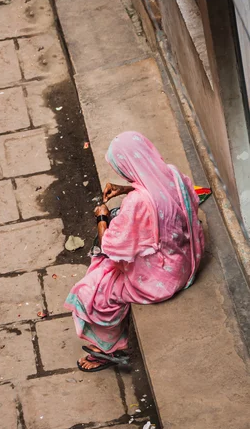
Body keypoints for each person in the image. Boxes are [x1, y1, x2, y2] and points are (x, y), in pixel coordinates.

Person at [65, 131, 205, 372]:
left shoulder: (137, 204)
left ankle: (107, 349)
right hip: (187, 257)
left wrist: (102, 218)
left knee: (94, 290)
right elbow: (158, 193)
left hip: (164, 278)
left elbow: (110, 247)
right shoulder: (172, 174)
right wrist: (125, 190)